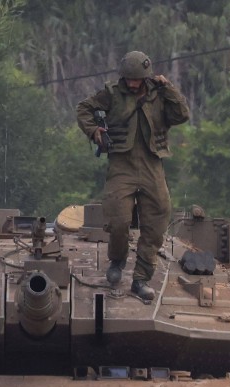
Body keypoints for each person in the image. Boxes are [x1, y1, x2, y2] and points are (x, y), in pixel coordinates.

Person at [76, 51, 190, 301]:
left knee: (157, 221)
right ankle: (117, 260)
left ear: (146, 77)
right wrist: (94, 131)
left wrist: (168, 88)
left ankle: (141, 278)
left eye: (137, 79)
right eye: (128, 79)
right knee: (118, 220)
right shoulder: (113, 93)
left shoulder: (160, 95)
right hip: (122, 165)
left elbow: (182, 114)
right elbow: (84, 108)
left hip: (152, 164)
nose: (133, 83)